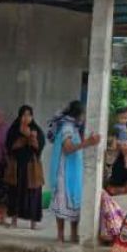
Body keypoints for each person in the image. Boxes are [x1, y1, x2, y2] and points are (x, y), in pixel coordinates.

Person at [47, 100, 102, 243]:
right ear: (78, 114)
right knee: (62, 203)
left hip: (71, 172)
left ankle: (73, 234)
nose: (84, 117)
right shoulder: (67, 127)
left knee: (73, 205)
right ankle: (61, 235)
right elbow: (68, 148)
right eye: (83, 114)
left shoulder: (73, 127)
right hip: (64, 172)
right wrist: (88, 143)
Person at [3, 105, 45, 229]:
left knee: (33, 194)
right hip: (16, 166)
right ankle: (14, 221)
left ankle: (33, 223)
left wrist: (31, 137)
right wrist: (21, 139)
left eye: (29, 115)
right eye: (24, 115)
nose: (26, 117)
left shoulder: (36, 129)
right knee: (15, 192)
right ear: (20, 116)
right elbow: (9, 146)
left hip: (31, 167)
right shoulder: (14, 129)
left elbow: (39, 147)